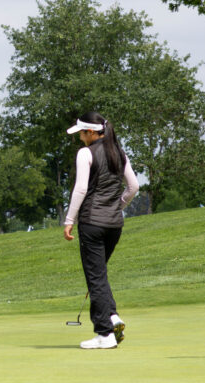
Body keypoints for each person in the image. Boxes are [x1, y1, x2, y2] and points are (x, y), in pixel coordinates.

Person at [63, 112, 139, 349]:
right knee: (99, 275)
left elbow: (80, 189)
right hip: (114, 225)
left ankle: (105, 334)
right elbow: (133, 187)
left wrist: (69, 220)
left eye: (82, 133)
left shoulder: (86, 153)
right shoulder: (119, 152)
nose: (80, 138)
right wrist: (118, 206)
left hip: (92, 223)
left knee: (95, 277)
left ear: (92, 132)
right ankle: (113, 316)